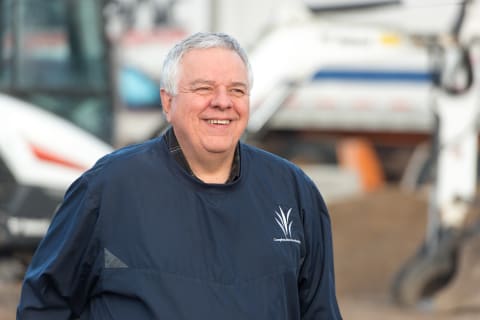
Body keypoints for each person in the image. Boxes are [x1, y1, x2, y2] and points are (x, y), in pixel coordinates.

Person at [17, 32, 342, 319]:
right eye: (204, 88)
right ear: (167, 102)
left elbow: (319, 310)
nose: (223, 102)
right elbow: (45, 304)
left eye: (237, 90)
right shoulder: (109, 188)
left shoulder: (293, 191)